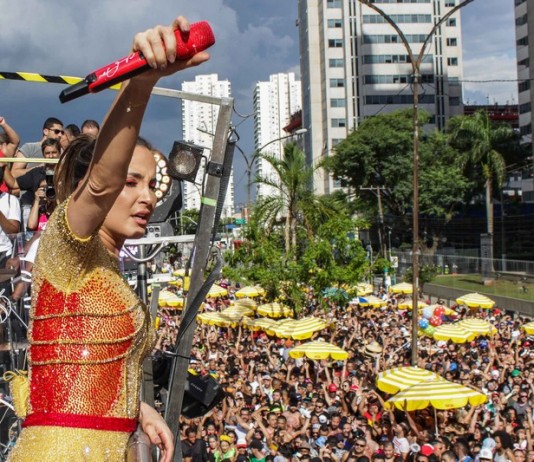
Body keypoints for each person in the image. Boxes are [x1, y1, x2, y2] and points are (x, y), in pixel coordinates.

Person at [8, 14, 209, 462]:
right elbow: (100, 185)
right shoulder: (64, 248)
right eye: (131, 181)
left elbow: (87, 371)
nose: (147, 197)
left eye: (153, 184)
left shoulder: (107, 267)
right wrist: (140, 84)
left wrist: (136, 409)